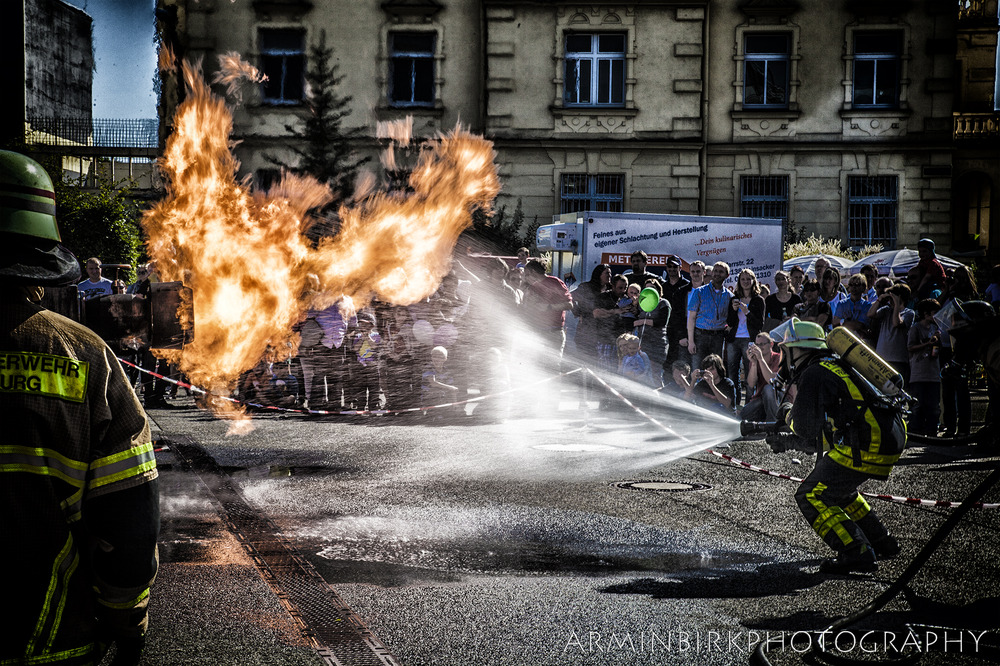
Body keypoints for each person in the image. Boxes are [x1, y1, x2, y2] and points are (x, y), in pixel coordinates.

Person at [0, 150, 159, 665]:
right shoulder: (83, 355)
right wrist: (126, 620)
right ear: (40, 264)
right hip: (48, 638)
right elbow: (129, 518)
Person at [776, 318, 904, 574]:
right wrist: (791, 440)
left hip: (868, 442)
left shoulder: (813, 373)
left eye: (785, 350)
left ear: (797, 349)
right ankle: (882, 542)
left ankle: (855, 552)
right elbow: (824, 428)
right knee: (840, 490)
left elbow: (805, 428)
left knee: (811, 495)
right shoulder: (834, 365)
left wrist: (787, 415)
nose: (783, 357)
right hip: (889, 436)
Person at [520, 258, 574, 365]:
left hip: (552, 333)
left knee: (552, 368)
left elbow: (569, 305)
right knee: (536, 367)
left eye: (527, 274)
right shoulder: (532, 287)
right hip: (536, 332)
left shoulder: (555, 282)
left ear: (533, 272)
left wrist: (549, 307)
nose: (526, 277)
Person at [725, 268, 765, 408]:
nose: (746, 282)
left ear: (753, 281)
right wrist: (734, 310)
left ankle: (749, 406)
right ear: (739, 282)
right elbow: (729, 322)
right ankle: (733, 405)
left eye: (749, 279)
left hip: (750, 340)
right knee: (732, 373)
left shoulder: (758, 300)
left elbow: (760, 324)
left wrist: (747, 312)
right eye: (743, 279)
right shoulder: (734, 299)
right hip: (734, 340)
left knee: (750, 374)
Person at [686, 261, 731, 373]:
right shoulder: (699, 292)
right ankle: (696, 391)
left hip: (718, 337)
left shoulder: (729, 295)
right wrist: (691, 341)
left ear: (727, 275)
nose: (717, 274)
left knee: (716, 370)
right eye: (715, 271)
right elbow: (691, 318)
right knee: (698, 369)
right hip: (700, 335)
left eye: (721, 272)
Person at [867, 283, 915, 387]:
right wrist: (879, 299)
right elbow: (870, 314)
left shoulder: (909, 313)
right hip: (882, 357)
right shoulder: (886, 310)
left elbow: (896, 323)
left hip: (898, 359)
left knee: (896, 388)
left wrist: (897, 304)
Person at [907, 299, 942, 436]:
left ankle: (932, 429)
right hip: (918, 373)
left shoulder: (936, 328)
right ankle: (916, 429)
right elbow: (910, 347)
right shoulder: (916, 328)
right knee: (918, 404)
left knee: (933, 405)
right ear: (926, 313)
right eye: (934, 313)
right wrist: (928, 343)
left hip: (933, 373)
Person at [570, 264, 611, 362]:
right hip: (586, 330)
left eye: (610, 273)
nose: (609, 276)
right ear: (598, 274)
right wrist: (578, 313)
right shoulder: (586, 287)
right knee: (586, 360)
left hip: (604, 332)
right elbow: (570, 297)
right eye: (607, 273)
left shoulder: (610, 289)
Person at [741, 333, 782, 422]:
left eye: (762, 344)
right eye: (757, 345)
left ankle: (773, 424)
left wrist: (760, 360)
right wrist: (754, 363)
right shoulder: (755, 359)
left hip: (778, 399)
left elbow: (772, 382)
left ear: (771, 344)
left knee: (768, 389)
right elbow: (751, 384)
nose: (759, 347)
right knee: (743, 414)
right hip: (761, 399)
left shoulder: (778, 358)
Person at [662, 255, 692, 366]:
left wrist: (684, 334)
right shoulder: (663, 287)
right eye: (669, 266)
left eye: (675, 266)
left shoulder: (687, 285)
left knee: (682, 363)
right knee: (667, 362)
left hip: (682, 331)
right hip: (667, 330)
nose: (672, 269)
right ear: (666, 268)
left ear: (680, 268)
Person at [833, 274, 873, 341]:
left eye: (857, 285)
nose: (853, 287)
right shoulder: (841, 304)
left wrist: (842, 321)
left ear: (863, 287)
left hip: (860, 341)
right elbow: (835, 323)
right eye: (851, 285)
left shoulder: (867, 306)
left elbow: (860, 325)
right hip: (843, 340)